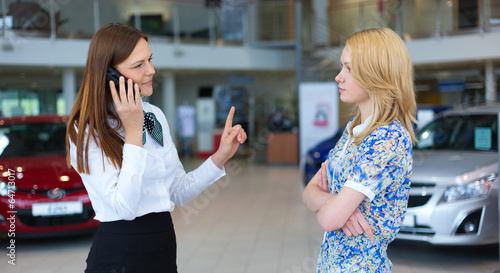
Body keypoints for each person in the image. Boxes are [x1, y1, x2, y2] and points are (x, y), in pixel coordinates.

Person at [66, 23, 247, 273]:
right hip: (118, 253)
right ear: (109, 75)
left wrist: (220, 156)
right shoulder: (86, 129)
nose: (151, 70)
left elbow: (177, 191)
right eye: (138, 65)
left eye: (150, 60)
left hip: (162, 246)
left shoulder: (154, 116)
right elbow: (124, 208)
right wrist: (132, 132)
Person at [302, 28, 417, 272]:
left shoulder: (388, 139)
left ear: (377, 74)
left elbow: (328, 218)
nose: (338, 77)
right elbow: (308, 193)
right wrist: (338, 204)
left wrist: (334, 210)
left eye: (349, 68)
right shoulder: (353, 130)